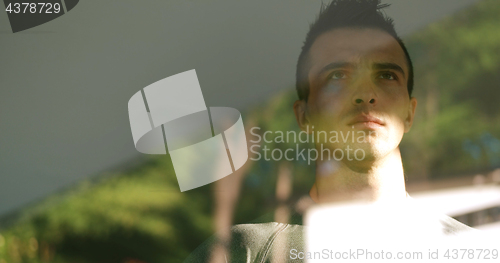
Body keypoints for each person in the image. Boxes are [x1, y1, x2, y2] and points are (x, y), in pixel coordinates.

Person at [184, 0, 473, 262]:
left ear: (410, 112)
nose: (366, 94)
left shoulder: (472, 249)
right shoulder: (243, 251)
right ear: (304, 115)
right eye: (338, 75)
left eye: (386, 75)